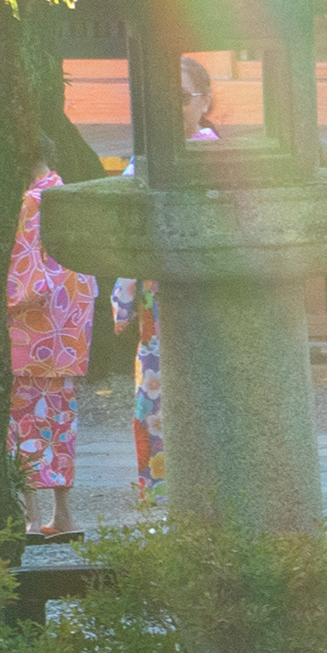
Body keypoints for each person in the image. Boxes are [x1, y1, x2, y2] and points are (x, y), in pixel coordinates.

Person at [116, 56, 219, 507]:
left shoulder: (218, 155)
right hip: (155, 307)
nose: (170, 107)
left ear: (205, 101)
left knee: (210, 395)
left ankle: (207, 493)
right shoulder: (144, 160)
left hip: (208, 298)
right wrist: (125, 298)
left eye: (180, 97)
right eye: (160, 98)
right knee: (152, 401)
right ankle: (160, 493)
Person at [6, 157, 97, 536]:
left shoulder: (31, 201)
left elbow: (23, 272)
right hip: (69, 331)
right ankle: (63, 515)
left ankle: (31, 515)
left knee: (24, 422)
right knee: (60, 423)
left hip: (33, 331)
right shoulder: (70, 196)